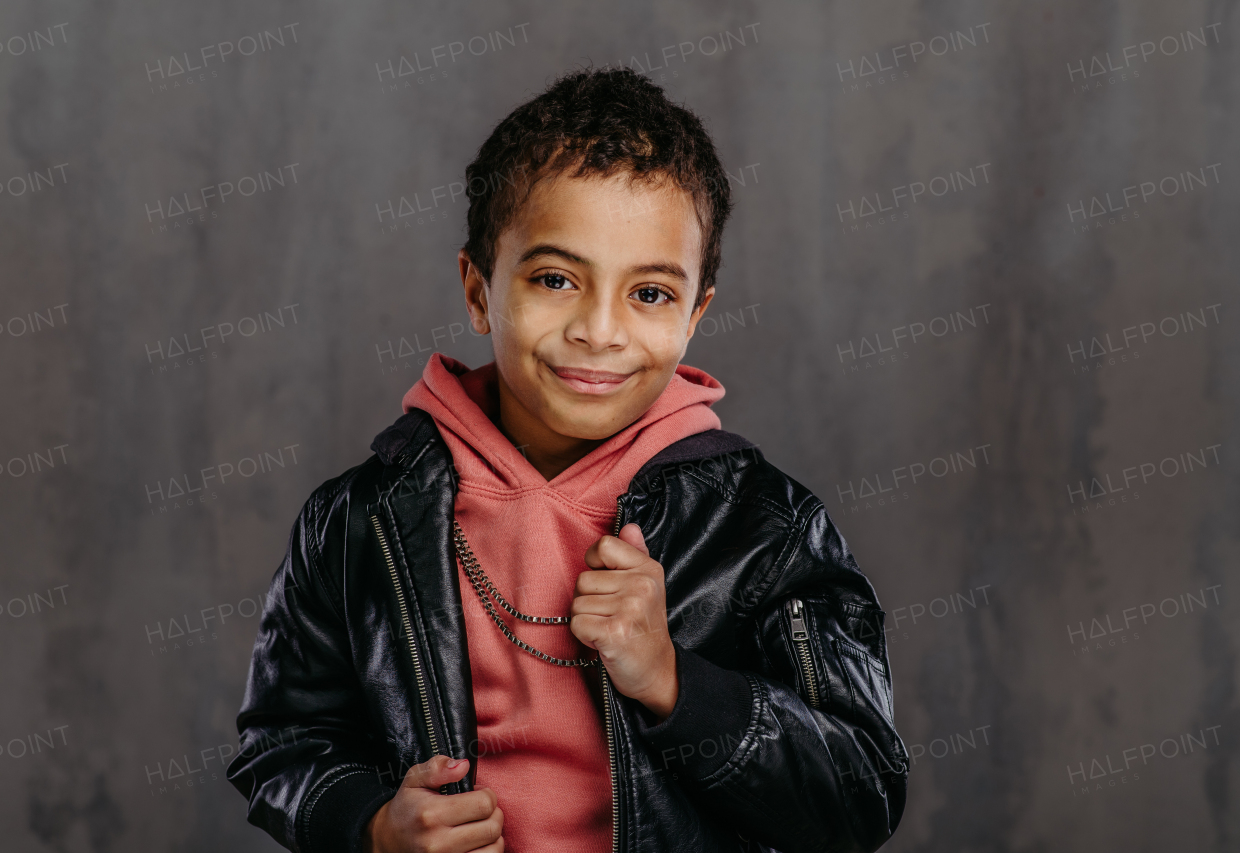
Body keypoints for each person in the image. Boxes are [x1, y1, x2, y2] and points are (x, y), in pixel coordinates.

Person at [227, 66, 907, 853]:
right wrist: (371, 824)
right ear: (479, 290)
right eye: (556, 279)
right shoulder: (359, 520)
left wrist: (672, 680)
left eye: (649, 293)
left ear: (695, 314)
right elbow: (283, 739)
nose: (600, 330)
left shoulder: (766, 529)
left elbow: (860, 791)